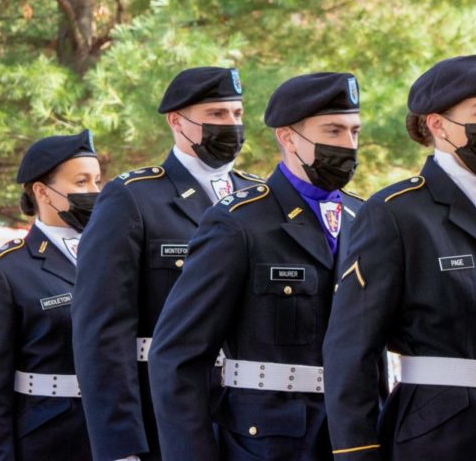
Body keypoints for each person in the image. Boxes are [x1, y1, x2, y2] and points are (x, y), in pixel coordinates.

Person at [322, 54, 476, 460]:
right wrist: (356, 451)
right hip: (435, 434)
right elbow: (350, 350)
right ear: (438, 125)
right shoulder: (397, 212)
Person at [148, 72, 364, 461]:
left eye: (354, 132)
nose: (347, 145)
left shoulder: (362, 218)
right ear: (288, 137)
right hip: (265, 441)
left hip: (351, 439)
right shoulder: (239, 223)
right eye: (333, 132)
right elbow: (178, 356)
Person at [72, 67, 264, 461]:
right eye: (216, 115)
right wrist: (120, 445)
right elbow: (102, 329)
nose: (231, 125)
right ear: (177, 121)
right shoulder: (133, 198)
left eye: (237, 114)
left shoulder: (258, 197)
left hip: (252, 419)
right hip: (160, 415)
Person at [0, 129, 101, 461]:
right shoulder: (6, 269)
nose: (95, 192)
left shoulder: (115, 255)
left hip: (114, 435)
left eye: (97, 181)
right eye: (82, 182)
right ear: (43, 191)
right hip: (49, 438)